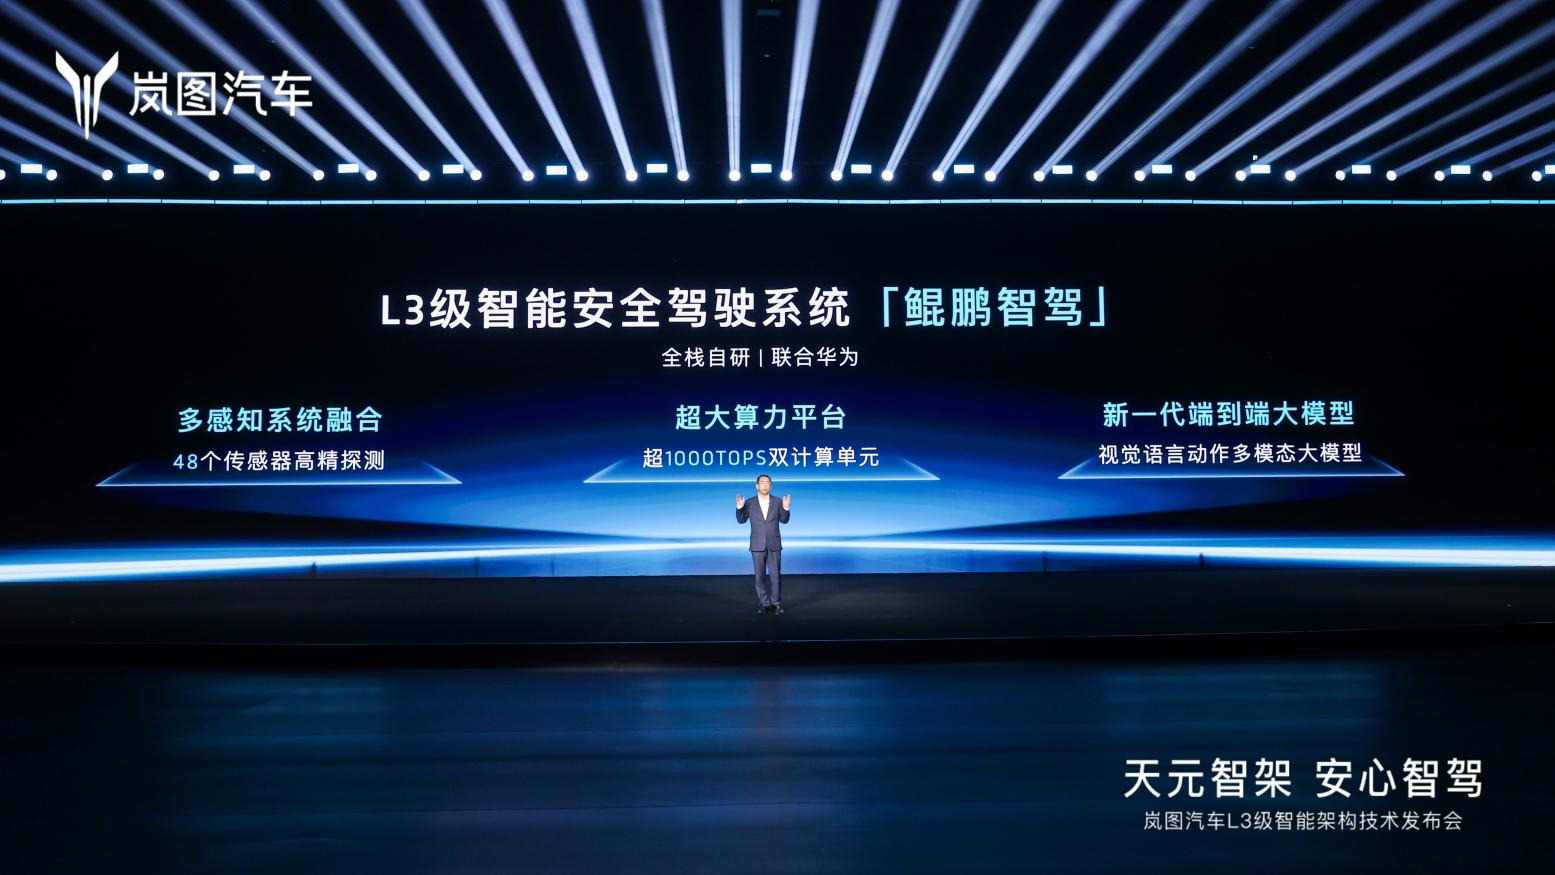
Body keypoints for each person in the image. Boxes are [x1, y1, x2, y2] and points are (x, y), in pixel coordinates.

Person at [735, 474, 790, 614]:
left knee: (775, 575)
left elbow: (784, 520)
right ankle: (764, 603)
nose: (765, 485)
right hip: (757, 544)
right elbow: (741, 520)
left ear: (771, 486)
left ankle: (776, 603)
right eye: (762, 483)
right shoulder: (749, 502)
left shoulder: (778, 501)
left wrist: (786, 508)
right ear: (757, 486)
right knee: (759, 576)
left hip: (774, 543)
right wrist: (740, 507)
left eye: (767, 483)